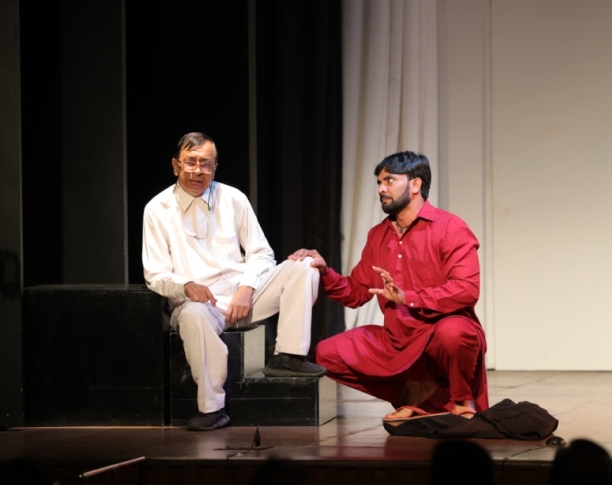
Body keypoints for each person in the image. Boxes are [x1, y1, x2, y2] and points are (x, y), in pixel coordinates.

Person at [143, 132, 325, 431]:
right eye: (190, 162)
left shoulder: (233, 198)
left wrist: (246, 288)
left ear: (215, 168)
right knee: (193, 314)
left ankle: (289, 355)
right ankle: (212, 408)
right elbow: (155, 273)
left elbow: (261, 253)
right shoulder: (157, 209)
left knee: (305, 265)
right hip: (199, 305)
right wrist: (185, 286)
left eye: (205, 164)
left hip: (243, 300)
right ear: (176, 165)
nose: (197, 170)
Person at [290, 151, 487, 421]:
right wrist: (324, 271)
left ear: (415, 184)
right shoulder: (378, 235)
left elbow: (467, 289)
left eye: (389, 180)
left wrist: (408, 297)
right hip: (397, 339)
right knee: (327, 353)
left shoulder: (450, 227)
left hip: (439, 331)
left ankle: (461, 400)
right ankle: (416, 393)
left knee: (455, 333)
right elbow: (356, 293)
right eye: (379, 182)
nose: (381, 189)